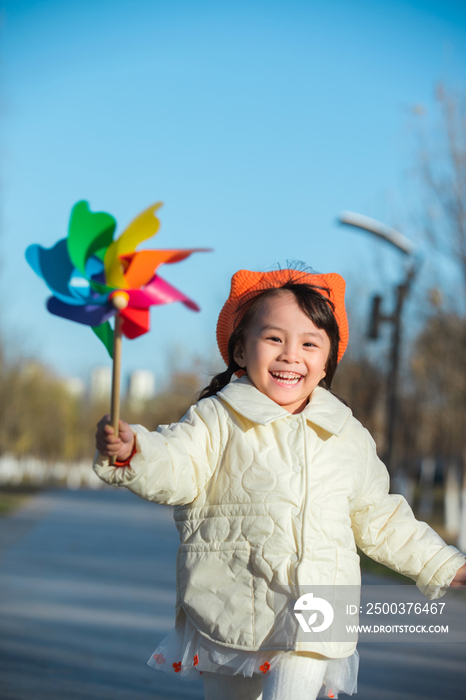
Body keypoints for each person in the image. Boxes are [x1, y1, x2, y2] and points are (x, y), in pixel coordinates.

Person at [94, 266, 466, 700]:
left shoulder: (346, 434)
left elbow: (380, 517)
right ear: (240, 350)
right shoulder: (218, 419)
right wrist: (135, 450)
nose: (292, 355)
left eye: (310, 343)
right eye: (274, 339)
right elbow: (177, 464)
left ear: (327, 359)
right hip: (230, 598)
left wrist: (443, 563)